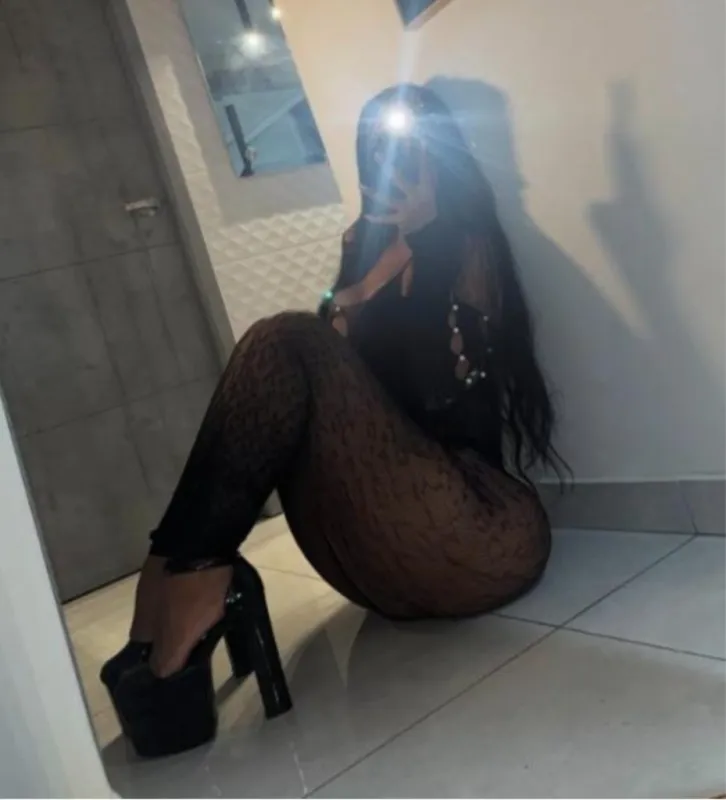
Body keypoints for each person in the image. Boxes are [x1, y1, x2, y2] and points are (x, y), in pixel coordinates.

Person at [105, 83, 568, 758]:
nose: (393, 163)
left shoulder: (471, 248)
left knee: (283, 334)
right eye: (377, 147)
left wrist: (423, 239)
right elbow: (337, 399)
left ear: (440, 156)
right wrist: (361, 281)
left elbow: (443, 393)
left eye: (408, 147)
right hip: (381, 554)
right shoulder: (362, 248)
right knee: (283, 346)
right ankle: (185, 564)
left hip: (478, 529)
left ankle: (184, 575)